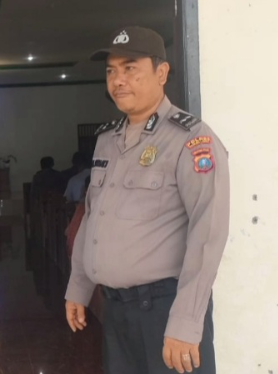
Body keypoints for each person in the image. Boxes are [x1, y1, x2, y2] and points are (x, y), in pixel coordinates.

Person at [64, 26, 230, 374]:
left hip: (166, 310)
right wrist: (79, 286)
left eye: (130, 68)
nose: (118, 80)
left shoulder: (192, 139)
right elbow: (93, 218)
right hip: (117, 312)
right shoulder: (108, 140)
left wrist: (186, 322)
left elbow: (207, 234)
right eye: (111, 71)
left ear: (162, 72)